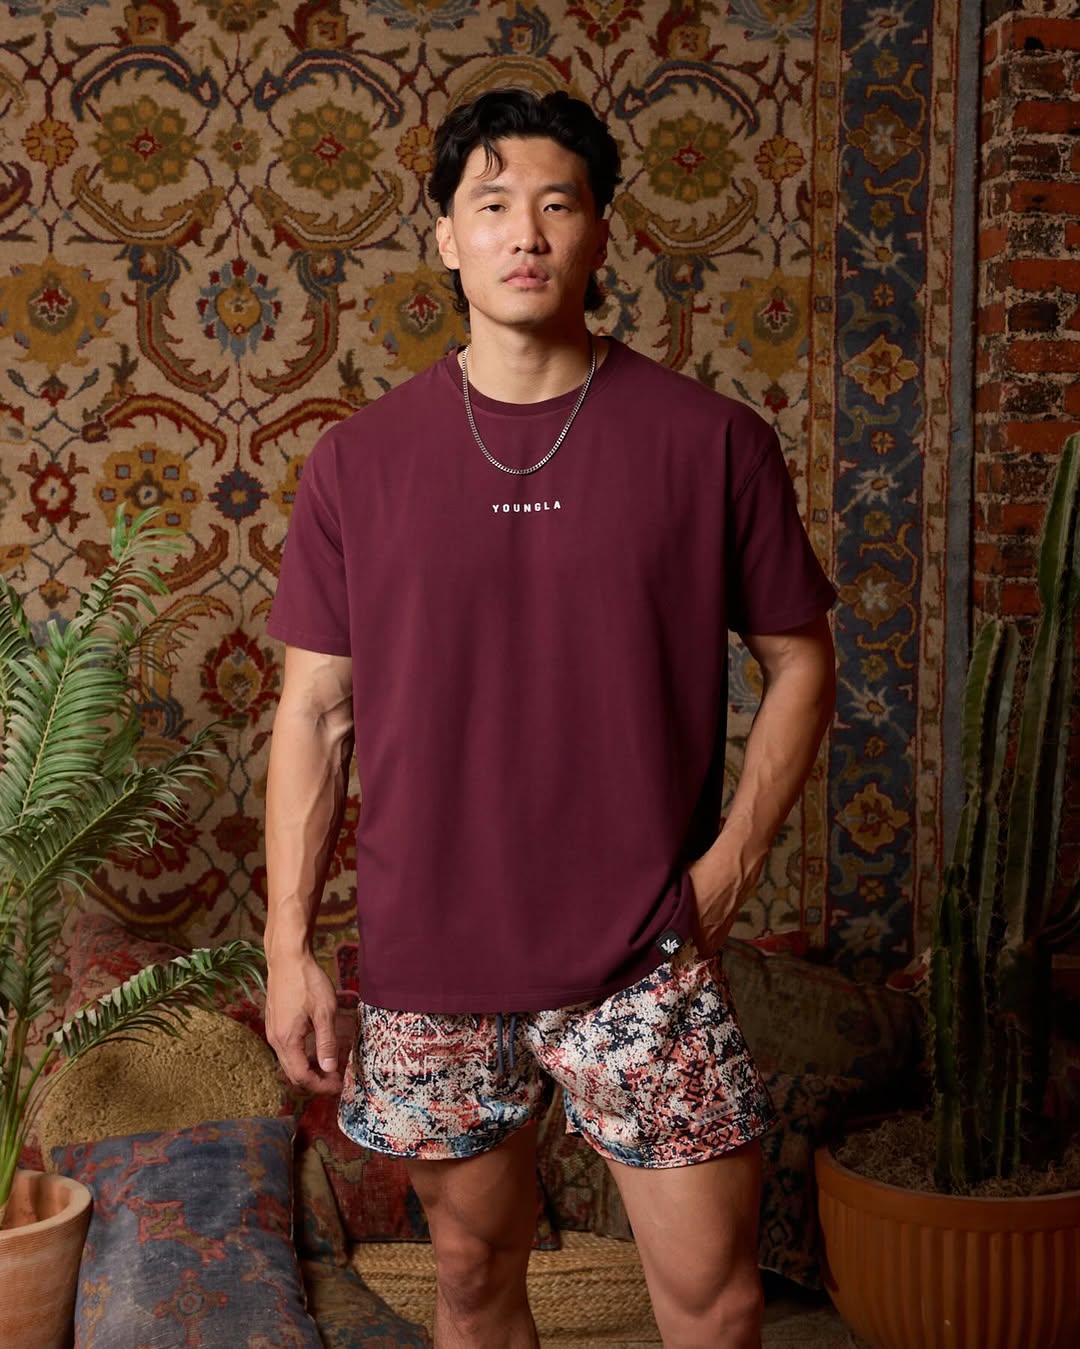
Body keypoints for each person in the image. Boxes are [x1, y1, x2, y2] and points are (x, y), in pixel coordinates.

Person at [264, 87, 837, 1349]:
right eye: (492, 204)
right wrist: (288, 941)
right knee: (473, 1280)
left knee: (719, 1300)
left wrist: (732, 862)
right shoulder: (357, 461)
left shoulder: (712, 441)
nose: (524, 233)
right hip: (433, 954)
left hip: (642, 947)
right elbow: (314, 709)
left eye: (557, 204)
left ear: (599, 231)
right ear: (446, 236)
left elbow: (802, 658)